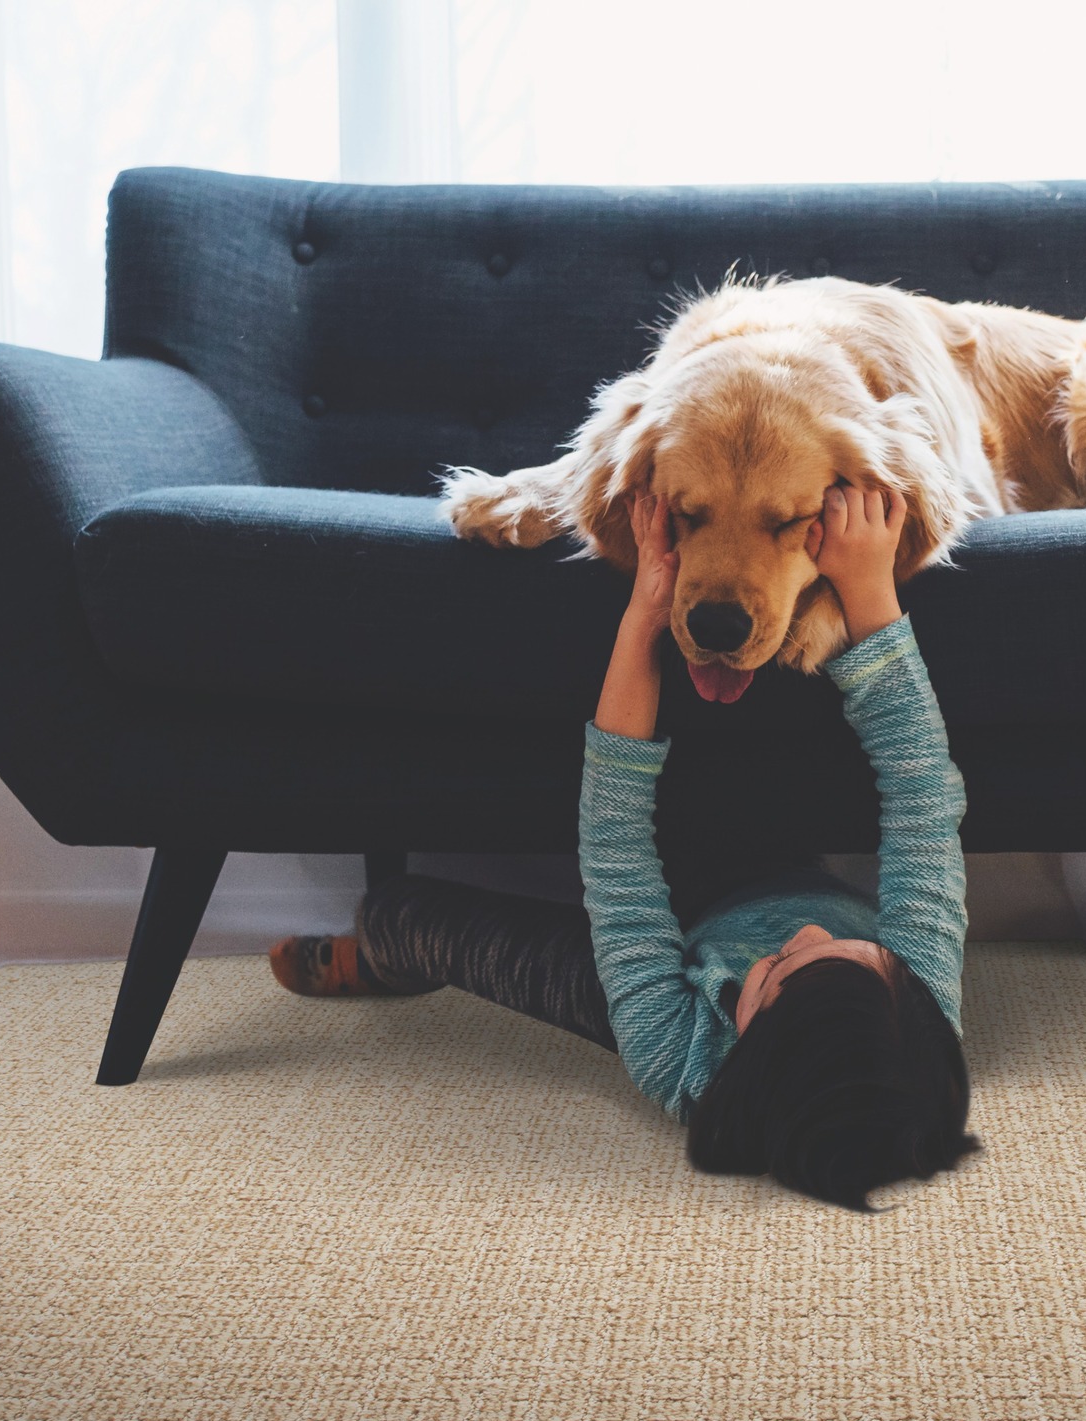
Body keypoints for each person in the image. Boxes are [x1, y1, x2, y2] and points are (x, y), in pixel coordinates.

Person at [270, 483, 977, 1210]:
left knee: (401, 915)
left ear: (739, 1054)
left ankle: (383, 959)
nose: (804, 931)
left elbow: (616, 856)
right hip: (780, 861)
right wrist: (868, 590)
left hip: (661, 966)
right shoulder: (917, 999)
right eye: (847, 947)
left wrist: (642, 617)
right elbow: (922, 791)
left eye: (774, 971)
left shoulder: (675, 1056)